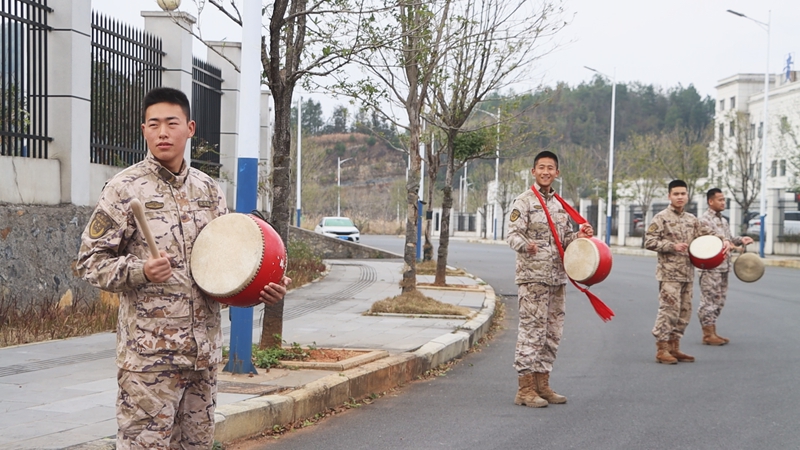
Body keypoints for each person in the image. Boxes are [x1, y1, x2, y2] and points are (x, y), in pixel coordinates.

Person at [76, 87, 290, 449]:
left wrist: (259, 291)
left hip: (201, 359)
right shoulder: (124, 189)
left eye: (171, 123)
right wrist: (141, 270)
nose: (163, 132)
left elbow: (226, 268)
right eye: (154, 124)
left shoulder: (208, 190)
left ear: (189, 128)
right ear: (143, 130)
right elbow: (89, 262)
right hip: (148, 365)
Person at [506, 150, 593, 408]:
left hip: (557, 279)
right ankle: (524, 389)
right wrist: (525, 245)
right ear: (533, 172)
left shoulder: (560, 205)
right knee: (531, 333)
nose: (545, 171)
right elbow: (512, 234)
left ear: (557, 173)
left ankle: (543, 384)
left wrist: (579, 235)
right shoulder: (523, 202)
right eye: (541, 167)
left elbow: (564, 240)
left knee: (552, 333)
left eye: (550, 168)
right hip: (533, 279)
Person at [644, 180, 729, 364]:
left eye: (683, 193)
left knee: (684, 312)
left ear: (687, 195)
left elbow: (709, 234)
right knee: (669, 311)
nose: (680, 197)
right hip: (669, 274)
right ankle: (662, 348)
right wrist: (672, 246)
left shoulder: (692, 220)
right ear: (669, 196)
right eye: (676, 194)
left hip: (687, 273)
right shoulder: (661, 218)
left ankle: (675, 347)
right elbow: (649, 241)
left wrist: (724, 241)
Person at [697, 188, 753, 345]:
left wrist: (741, 240)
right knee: (708, 299)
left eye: (724, 200)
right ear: (710, 201)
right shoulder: (703, 221)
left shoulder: (723, 220)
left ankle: (713, 330)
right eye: (720, 200)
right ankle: (707, 334)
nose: (723, 202)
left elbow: (728, 239)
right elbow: (715, 240)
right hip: (709, 266)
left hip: (723, 266)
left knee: (719, 299)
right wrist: (728, 242)